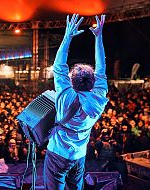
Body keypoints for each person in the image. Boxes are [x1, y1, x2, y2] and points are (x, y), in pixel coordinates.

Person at [44, 14, 109, 190]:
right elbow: (102, 68)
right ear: (93, 82)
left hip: (58, 154)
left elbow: (59, 65)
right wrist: (99, 37)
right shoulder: (98, 98)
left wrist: (67, 36)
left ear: (72, 81)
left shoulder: (66, 95)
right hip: (79, 155)